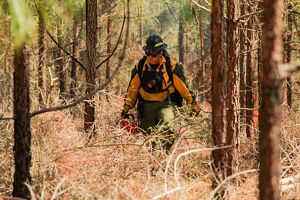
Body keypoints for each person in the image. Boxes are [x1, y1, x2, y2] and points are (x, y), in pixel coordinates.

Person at [121, 34, 200, 152]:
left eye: (153, 54)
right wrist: (126, 109)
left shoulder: (171, 67)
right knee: (149, 137)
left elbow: (184, 89)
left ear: (161, 53)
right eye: (147, 54)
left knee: (168, 124)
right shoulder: (140, 67)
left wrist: (193, 105)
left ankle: (165, 156)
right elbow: (132, 89)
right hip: (146, 107)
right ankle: (154, 161)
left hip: (166, 104)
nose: (150, 57)